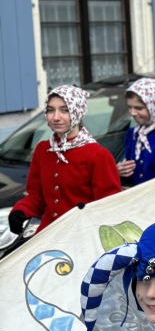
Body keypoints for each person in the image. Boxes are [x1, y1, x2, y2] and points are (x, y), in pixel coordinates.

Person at [8, 85, 121, 235]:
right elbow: (36, 196)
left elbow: (108, 206)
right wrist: (21, 210)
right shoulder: (43, 150)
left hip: (83, 237)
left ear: (77, 113)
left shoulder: (98, 155)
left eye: (64, 110)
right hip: (48, 234)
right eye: (50, 110)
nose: (55, 117)